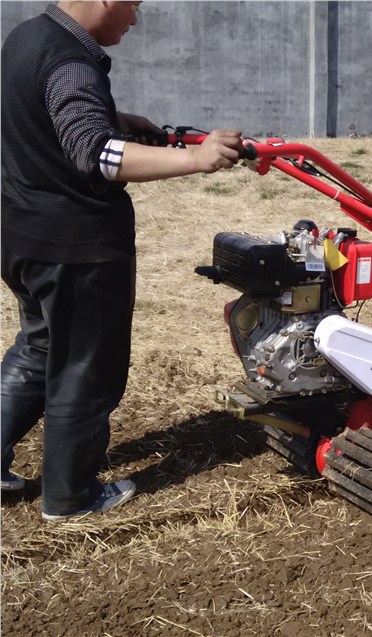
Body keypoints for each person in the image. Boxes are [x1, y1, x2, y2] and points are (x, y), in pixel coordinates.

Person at [1, 1, 244, 520]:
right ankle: (72, 497)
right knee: (86, 372)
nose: (135, 19)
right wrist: (194, 159)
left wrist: (118, 118)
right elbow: (97, 153)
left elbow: (40, 114)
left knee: (40, 348)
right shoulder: (71, 62)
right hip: (77, 250)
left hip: (21, 235)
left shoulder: (27, 38)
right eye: (132, 5)